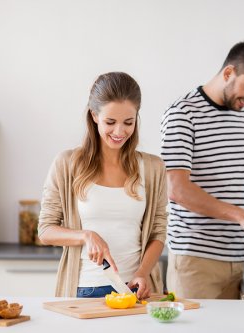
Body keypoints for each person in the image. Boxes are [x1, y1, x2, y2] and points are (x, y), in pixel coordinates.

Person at [160, 41, 244, 299]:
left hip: (237, 260)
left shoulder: (243, 116)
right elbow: (176, 189)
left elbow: (243, 180)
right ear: (228, 73)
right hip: (195, 262)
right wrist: (242, 216)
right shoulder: (182, 113)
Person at [38, 72, 168, 299]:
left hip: (136, 290)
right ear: (94, 115)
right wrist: (86, 236)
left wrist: (143, 273)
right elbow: (46, 231)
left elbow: (158, 230)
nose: (119, 132)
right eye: (110, 122)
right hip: (83, 289)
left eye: (128, 122)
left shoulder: (153, 168)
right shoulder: (67, 164)